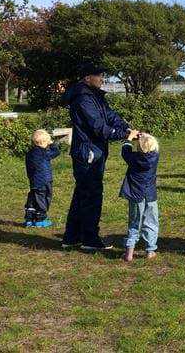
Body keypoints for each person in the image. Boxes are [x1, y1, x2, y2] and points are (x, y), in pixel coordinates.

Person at [61, 62, 138, 251]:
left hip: (95, 150)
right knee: (91, 195)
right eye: (99, 76)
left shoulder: (95, 96)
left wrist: (125, 127)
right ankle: (89, 239)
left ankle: (72, 237)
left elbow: (110, 116)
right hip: (88, 152)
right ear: (87, 78)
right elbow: (98, 127)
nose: (102, 79)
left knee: (82, 193)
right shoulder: (83, 99)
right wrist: (122, 135)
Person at [119, 133, 160, 262]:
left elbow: (125, 150)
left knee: (134, 222)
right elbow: (151, 146)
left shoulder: (133, 158)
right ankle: (150, 250)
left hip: (136, 195)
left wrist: (129, 138)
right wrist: (146, 136)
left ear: (139, 148)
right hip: (150, 194)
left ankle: (129, 253)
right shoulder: (155, 157)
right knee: (151, 222)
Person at [24, 129, 61, 227]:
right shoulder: (44, 153)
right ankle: (41, 219)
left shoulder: (30, 153)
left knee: (32, 198)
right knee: (44, 199)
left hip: (33, 180)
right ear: (45, 142)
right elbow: (56, 152)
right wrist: (52, 144)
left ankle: (29, 218)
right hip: (44, 180)